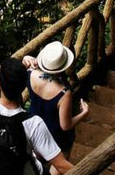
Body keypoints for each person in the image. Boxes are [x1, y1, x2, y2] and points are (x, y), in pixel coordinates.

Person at [22, 41, 89, 169]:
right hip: (56, 137)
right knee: (60, 165)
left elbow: (18, 68)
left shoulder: (30, 73)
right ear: (63, 67)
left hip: (35, 127)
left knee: (36, 162)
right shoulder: (64, 93)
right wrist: (84, 113)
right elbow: (65, 125)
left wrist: (25, 58)